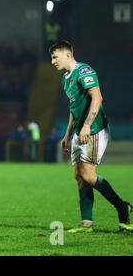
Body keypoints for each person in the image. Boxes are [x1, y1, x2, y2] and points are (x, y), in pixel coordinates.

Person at [50, 40, 132, 232]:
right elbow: (73, 107)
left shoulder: (84, 71)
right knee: (79, 176)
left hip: (94, 129)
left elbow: (97, 97)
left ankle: (122, 206)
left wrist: (87, 125)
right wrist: (68, 133)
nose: (53, 61)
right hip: (79, 131)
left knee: (88, 174)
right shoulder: (65, 78)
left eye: (55, 57)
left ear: (67, 55)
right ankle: (87, 223)